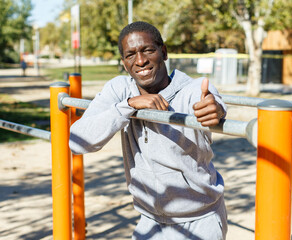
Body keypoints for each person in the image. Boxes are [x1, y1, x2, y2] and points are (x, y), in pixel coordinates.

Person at [69, 21, 228, 239]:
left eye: (148, 50)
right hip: (149, 220)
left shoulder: (192, 89)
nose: (140, 61)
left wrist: (216, 109)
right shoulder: (121, 89)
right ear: (124, 63)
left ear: (163, 52)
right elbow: (77, 141)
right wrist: (129, 105)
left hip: (199, 220)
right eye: (130, 55)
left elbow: (211, 103)